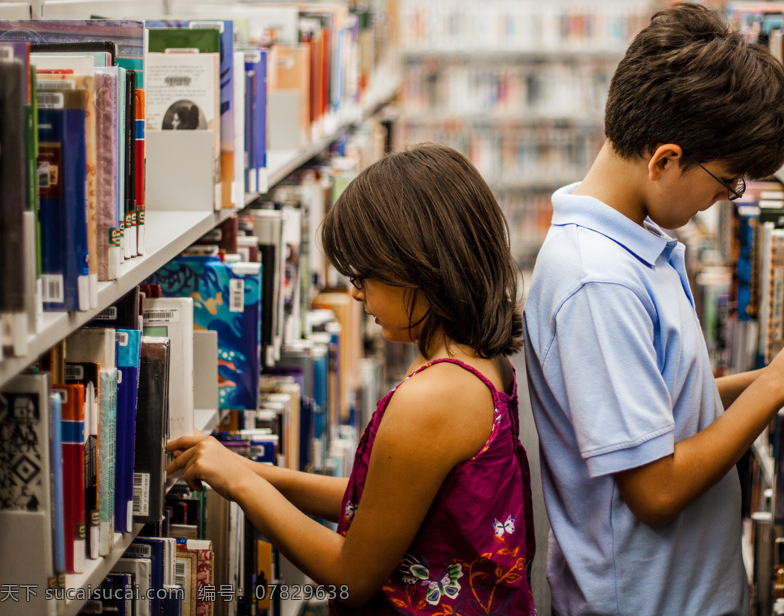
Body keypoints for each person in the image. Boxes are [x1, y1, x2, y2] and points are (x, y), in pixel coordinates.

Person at [523, 2, 784, 616]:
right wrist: (777, 382)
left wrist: (780, 375)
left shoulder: (633, 244)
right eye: (727, 182)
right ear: (666, 159)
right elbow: (656, 488)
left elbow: (663, 405)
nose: (722, 201)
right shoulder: (599, 281)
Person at [167, 143, 536, 615]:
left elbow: (350, 576)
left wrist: (243, 486)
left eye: (365, 274)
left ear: (418, 266)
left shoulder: (433, 397)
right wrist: (245, 469)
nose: (357, 293)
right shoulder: (482, 360)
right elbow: (387, 503)